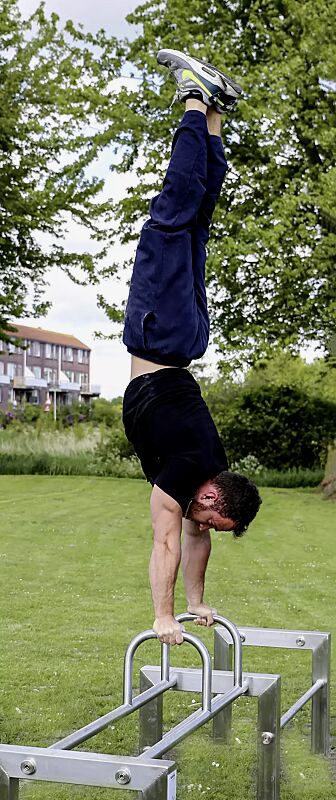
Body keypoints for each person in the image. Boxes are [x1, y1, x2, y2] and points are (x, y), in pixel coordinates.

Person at [122, 49, 262, 646]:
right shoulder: (186, 474)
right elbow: (168, 538)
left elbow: (197, 537)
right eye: (209, 514)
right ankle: (195, 99)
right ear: (210, 493)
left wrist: (198, 602)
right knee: (171, 216)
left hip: (184, 341)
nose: (202, 523)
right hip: (161, 335)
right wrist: (163, 614)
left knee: (198, 216)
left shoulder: (209, 468)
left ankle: (216, 119)